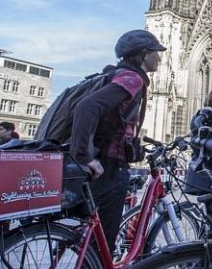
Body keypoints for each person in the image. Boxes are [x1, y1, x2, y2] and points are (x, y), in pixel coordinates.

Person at [69, 29, 165, 252]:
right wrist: (83, 155)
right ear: (143, 54)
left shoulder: (119, 74)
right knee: (103, 242)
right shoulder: (131, 78)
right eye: (156, 52)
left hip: (108, 164)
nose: (159, 58)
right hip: (108, 167)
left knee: (99, 239)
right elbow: (87, 107)